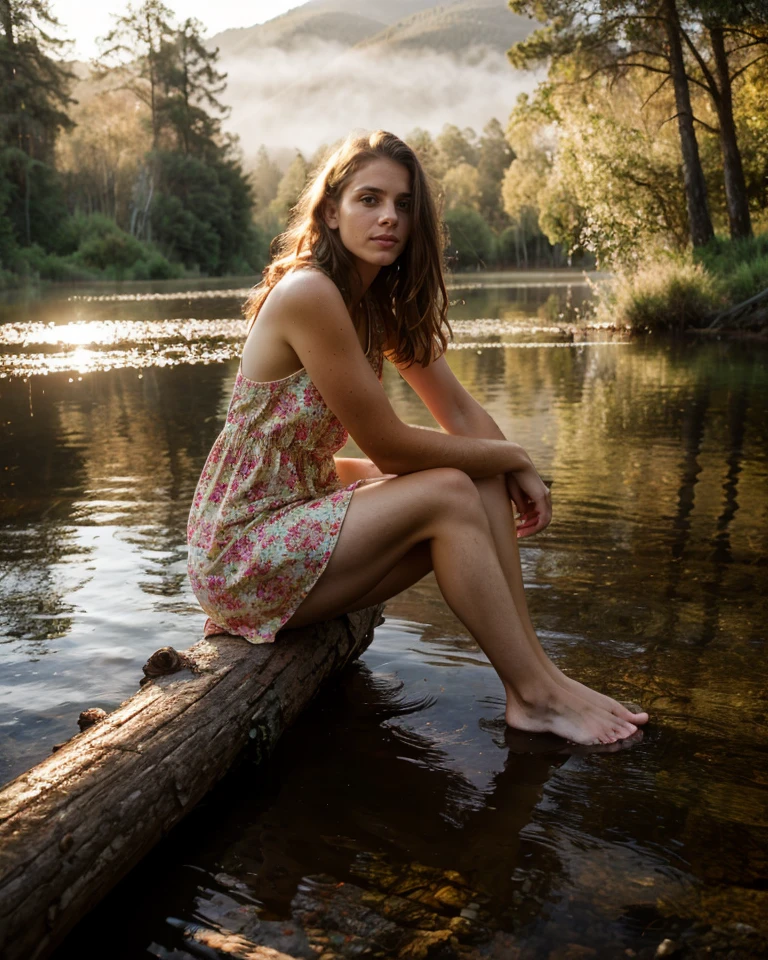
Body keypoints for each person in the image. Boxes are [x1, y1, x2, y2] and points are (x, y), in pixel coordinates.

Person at [187, 130, 649, 746]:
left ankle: (538, 677)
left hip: (297, 504)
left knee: (473, 474)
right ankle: (534, 693)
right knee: (447, 491)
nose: (389, 217)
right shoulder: (310, 293)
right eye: (369, 199)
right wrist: (516, 455)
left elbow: (458, 408)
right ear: (330, 210)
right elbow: (391, 448)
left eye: (403, 204)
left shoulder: (379, 303)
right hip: (241, 547)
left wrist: (504, 468)